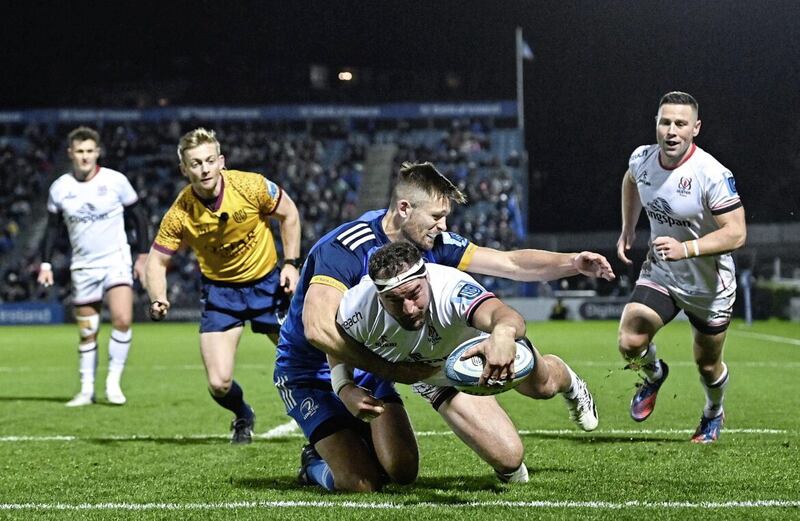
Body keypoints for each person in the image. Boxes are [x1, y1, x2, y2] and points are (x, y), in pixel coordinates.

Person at [273, 161, 615, 491]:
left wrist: (571, 262)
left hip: (407, 354)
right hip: (316, 367)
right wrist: (367, 377)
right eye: (437, 216)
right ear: (405, 208)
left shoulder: (434, 245)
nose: (444, 226)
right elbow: (319, 330)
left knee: (521, 424)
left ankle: (568, 381)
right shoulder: (345, 248)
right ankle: (320, 458)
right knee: (369, 480)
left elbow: (509, 262)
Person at [318, 241, 599, 488]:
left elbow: (504, 315)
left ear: (426, 278)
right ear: (379, 296)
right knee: (509, 458)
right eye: (394, 300)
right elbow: (337, 345)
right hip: (432, 375)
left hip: (477, 351)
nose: (409, 309)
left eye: (414, 293)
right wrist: (343, 386)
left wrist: (501, 335)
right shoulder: (357, 308)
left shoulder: (451, 288)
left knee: (543, 386)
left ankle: (572, 385)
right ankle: (507, 466)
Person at [144, 127, 301, 444]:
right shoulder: (180, 213)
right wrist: (158, 297)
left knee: (306, 359)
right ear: (184, 169)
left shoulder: (251, 185)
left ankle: (334, 417)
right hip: (220, 294)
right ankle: (243, 415)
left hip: (269, 286)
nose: (203, 169)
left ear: (221, 162)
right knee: (218, 383)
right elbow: (156, 261)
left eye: (209, 160)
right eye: (196, 163)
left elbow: (290, 213)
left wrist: (291, 264)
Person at [616, 91, 746, 444]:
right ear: (656, 125)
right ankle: (654, 374)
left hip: (709, 286)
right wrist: (629, 228)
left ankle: (713, 413)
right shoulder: (642, 159)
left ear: (695, 128)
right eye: (665, 122)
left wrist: (685, 249)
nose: (671, 131)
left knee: (707, 366)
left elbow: (736, 233)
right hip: (662, 271)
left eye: (680, 124)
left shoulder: (711, 174)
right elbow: (630, 181)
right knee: (630, 341)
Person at [38, 126, 149, 407]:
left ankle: (113, 382)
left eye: (89, 151)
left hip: (116, 260)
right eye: (79, 152)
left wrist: (143, 254)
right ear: (70, 154)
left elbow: (138, 215)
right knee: (88, 330)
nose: (85, 157)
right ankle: (86, 390)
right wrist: (46, 263)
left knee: (123, 319)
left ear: (97, 152)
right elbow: (52, 229)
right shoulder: (60, 188)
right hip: (83, 267)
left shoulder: (115, 181)